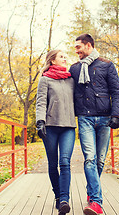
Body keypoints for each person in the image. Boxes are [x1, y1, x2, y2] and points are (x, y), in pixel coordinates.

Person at [69, 34, 119, 215]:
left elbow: (116, 92)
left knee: (100, 161)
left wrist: (116, 115)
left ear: (89, 45)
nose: (75, 50)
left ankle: (91, 192)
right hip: (84, 118)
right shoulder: (75, 69)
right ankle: (96, 202)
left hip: (105, 118)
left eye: (78, 47)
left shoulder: (106, 65)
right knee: (90, 159)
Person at [36, 50, 76, 215]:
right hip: (50, 126)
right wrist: (40, 122)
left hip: (68, 127)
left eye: (66, 56)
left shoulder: (71, 79)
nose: (65, 58)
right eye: (61, 56)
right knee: (53, 164)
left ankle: (65, 199)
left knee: (65, 162)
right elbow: (40, 102)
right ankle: (58, 196)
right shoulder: (45, 80)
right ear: (52, 61)